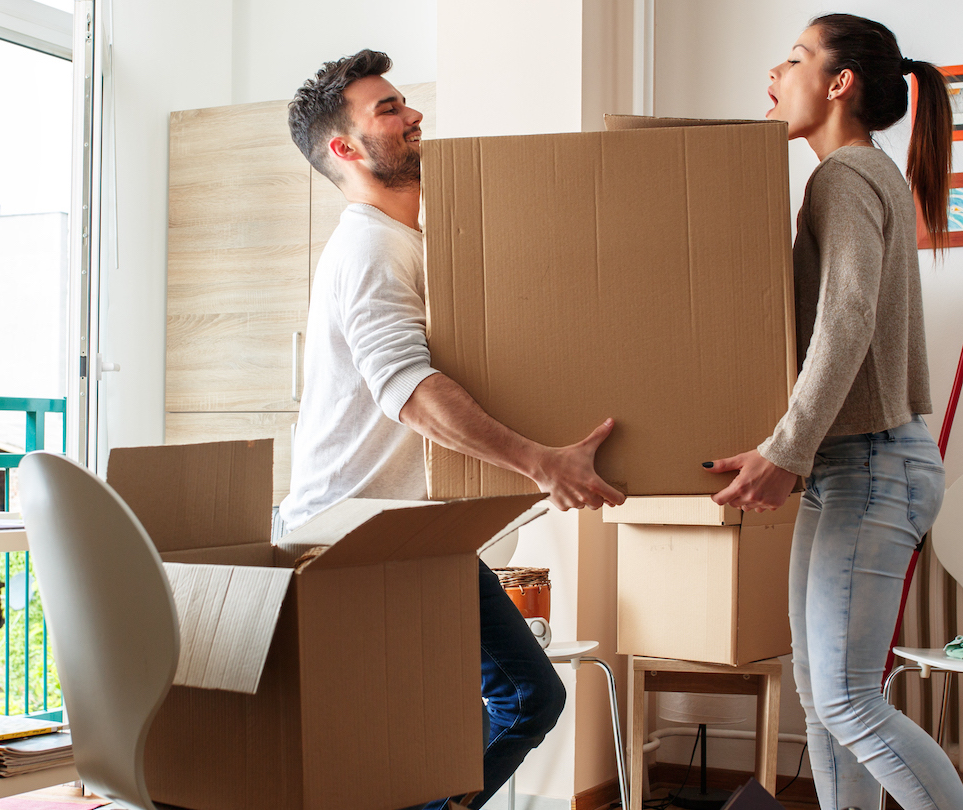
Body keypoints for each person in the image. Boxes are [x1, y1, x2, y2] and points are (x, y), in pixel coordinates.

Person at [280, 49, 625, 810]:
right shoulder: (370, 246)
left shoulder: (414, 245)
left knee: (491, 711)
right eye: (389, 110)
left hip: (407, 535)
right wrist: (542, 463)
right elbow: (407, 389)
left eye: (405, 101)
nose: (413, 116)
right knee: (454, 720)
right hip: (355, 537)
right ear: (344, 148)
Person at [704, 14, 959, 810]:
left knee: (847, 699)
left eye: (792, 60)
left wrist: (785, 448)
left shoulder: (843, 176)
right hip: (853, 464)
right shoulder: (859, 171)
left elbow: (844, 321)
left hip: (872, 463)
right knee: (822, 697)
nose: (773, 78)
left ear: (839, 82)